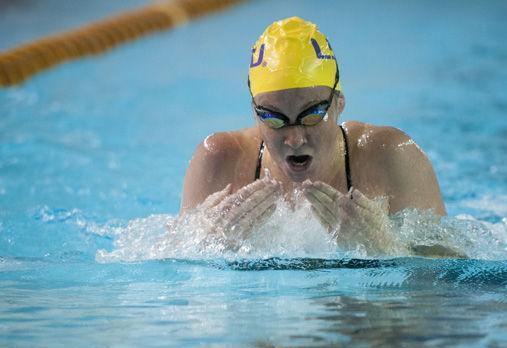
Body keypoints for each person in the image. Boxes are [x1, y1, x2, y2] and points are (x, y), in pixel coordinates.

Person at [180, 17, 449, 256]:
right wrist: (205, 244)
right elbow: (173, 278)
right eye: (274, 119)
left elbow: (451, 285)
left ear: (339, 103)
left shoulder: (391, 157)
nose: (295, 139)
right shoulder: (219, 161)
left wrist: (386, 249)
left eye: (311, 115)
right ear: (254, 112)